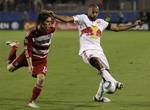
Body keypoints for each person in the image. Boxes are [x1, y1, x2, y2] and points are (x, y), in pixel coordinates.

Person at [49, 4, 142, 102]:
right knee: (95, 61)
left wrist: (134, 25)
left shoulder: (101, 22)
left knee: (105, 74)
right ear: (88, 10)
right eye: (92, 12)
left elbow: (117, 28)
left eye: (96, 12)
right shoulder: (82, 18)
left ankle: (98, 97)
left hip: (99, 51)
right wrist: (55, 15)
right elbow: (67, 19)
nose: (94, 14)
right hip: (86, 50)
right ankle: (114, 82)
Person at [6, 10, 55, 108]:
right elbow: (28, 50)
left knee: (41, 78)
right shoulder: (31, 33)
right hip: (28, 56)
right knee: (9, 68)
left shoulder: (51, 28)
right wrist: (30, 65)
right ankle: (14, 47)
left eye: (51, 22)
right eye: (47, 22)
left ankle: (31, 101)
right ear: (41, 22)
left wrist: (51, 14)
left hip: (42, 59)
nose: (50, 24)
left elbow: (56, 20)